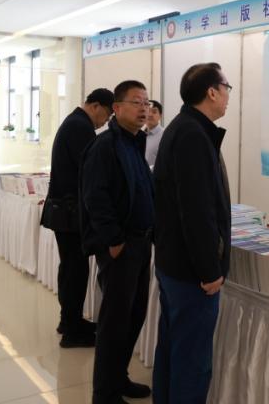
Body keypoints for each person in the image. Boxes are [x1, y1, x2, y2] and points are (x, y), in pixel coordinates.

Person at [153, 64, 232, 404]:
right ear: (212, 92)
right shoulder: (193, 135)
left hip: (175, 264)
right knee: (192, 362)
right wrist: (209, 270)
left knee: (174, 348)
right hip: (191, 274)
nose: (228, 95)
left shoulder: (184, 127)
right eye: (226, 87)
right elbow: (196, 211)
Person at [80, 80, 155, 404]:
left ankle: (118, 377)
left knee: (133, 315)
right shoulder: (105, 146)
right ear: (117, 107)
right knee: (114, 321)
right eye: (136, 102)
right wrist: (113, 240)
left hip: (140, 243)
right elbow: (95, 197)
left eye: (147, 102)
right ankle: (105, 393)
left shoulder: (135, 142)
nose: (144, 109)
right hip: (121, 246)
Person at [42, 88, 114, 347]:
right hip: (70, 213)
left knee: (71, 268)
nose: (105, 122)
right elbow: (91, 171)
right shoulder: (80, 127)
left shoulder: (75, 122)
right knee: (75, 271)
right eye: (107, 115)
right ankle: (72, 331)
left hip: (65, 211)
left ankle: (69, 321)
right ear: (96, 106)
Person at [144, 101, 164, 168]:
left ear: (160, 116)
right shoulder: (138, 135)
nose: (150, 115)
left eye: (154, 112)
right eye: (147, 111)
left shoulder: (165, 136)